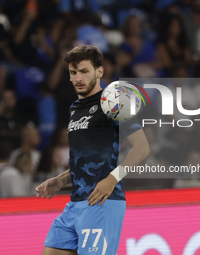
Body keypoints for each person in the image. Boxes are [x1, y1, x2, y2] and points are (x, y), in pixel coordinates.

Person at [35, 45, 150, 255]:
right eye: (73, 72)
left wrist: (112, 179)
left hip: (102, 202)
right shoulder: (74, 109)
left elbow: (142, 148)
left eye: (84, 71)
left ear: (99, 71)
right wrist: (61, 180)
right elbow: (86, 157)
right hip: (75, 203)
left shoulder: (114, 102)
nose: (78, 78)